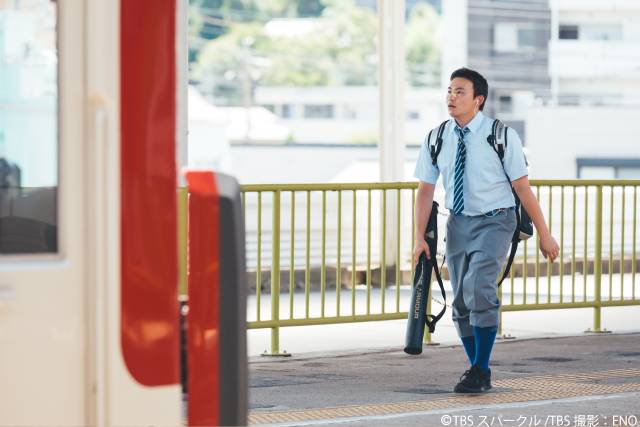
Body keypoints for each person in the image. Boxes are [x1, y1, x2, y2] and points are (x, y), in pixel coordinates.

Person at [412, 68, 559, 393]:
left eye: (460, 91)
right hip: (459, 222)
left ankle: (480, 368)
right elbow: (425, 190)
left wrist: (544, 233)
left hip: (496, 220)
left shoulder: (501, 135)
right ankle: (477, 368)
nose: (451, 96)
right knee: (462, 301)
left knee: (479, 287)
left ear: (478, 100)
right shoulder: (437, 137)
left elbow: (522, 188)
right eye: (449, 90)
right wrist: (418, 238)